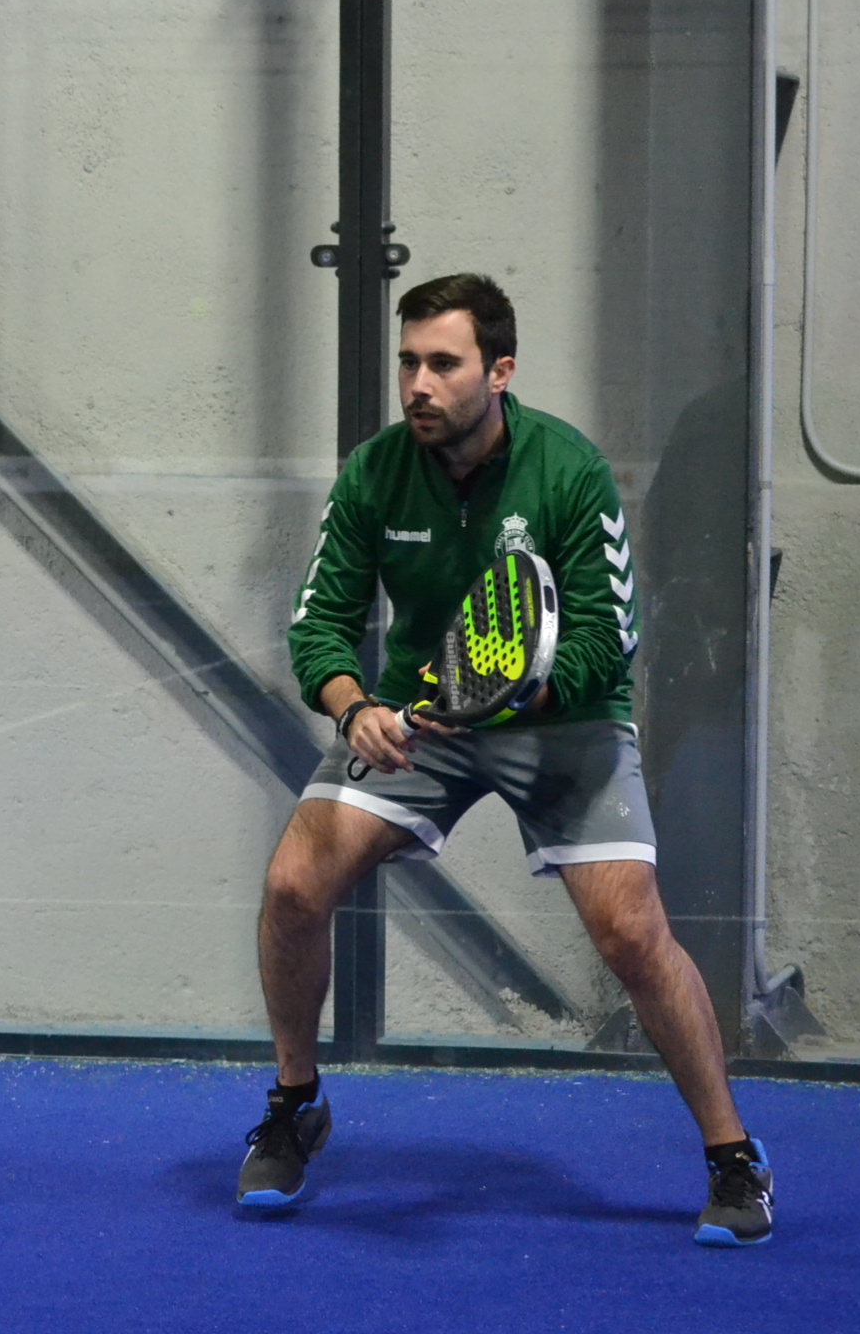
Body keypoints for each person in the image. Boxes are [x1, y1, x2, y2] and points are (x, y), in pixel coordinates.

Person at [237, 272, 774, 1247]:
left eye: (443, 363)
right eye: (408, 362)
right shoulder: (373, 473)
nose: (418, 385)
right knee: (292, 887)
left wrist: (514, 691)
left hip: (565, 725)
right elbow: (319, 623)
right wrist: (355, 708)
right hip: (419, 720)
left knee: (631, 934)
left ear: (500, 370)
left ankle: (734, 1159)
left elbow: (609, 637)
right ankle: (295, 1104)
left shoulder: (568, 470)